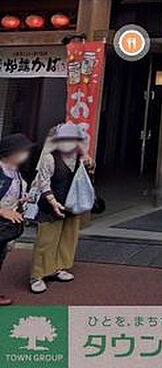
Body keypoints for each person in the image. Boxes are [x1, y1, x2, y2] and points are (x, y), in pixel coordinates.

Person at [29, 123, 93, 294]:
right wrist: (53, 202)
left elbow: (87, 175)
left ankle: (57, 268)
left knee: (67, 237)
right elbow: (43, 183)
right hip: (50, 206)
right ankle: (37, 275)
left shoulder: (80, 158)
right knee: (46, 240)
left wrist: (88, 161)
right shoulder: (49, 157)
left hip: (71, 204)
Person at [0, 134, 33, 306]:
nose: (25, 154)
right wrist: (2, 211)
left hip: (5, 226)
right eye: (22, 151)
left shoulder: (15, 172)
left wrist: (22, 199)